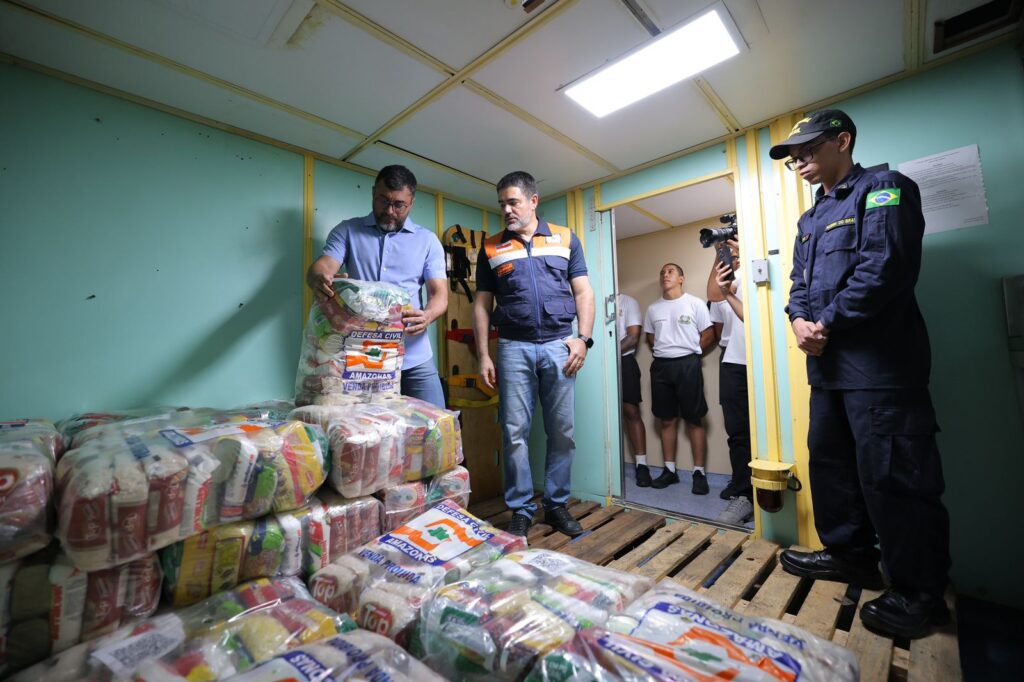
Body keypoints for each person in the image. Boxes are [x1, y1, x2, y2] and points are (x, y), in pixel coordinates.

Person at [772, 109, 951, 639]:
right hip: (827, 368)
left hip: (880, 368)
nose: (799, 160)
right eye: (793, 155)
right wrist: (800, 319)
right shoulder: (811, 217)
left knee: (894, 475)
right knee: (831, 464)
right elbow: (797, 286)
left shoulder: (884, 188)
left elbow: (885, 266)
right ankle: (851, 555)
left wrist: (826, 321)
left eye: (807, 149)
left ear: (842, 141)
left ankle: (921, 594)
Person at [473, 171, 596, 538]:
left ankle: (556, 507)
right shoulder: (491, 247)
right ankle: (522, 510)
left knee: (562, 432)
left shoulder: (565, 238)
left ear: (533, 201)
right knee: (514, 432)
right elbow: (481, 305)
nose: (506, 210)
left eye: (513, 202)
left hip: (560, 344)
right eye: (502, 204)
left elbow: (584, 293)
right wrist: (483, 355)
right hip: (513, 347)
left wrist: (583, 339)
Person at [306, 165, 448, 408]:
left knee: (436, 430)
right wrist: (319, 277)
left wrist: (428, 315)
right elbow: (323, 266)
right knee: (364, 436)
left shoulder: (428, 241)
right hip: (360, 361)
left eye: (399, 205)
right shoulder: (347, 230)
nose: (390, 211)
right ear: (373, 193)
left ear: (411, 202)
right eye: (383, 201)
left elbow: (440, 295)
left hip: (414, 360)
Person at [643, 264, 715, 494]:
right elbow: (650, 338)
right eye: (662, 272)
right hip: (661, 367)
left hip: (688, 365)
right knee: (666, 419)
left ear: (681, 278)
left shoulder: (695, 303)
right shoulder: (653, 309)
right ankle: (670, 470)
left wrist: (691, 353)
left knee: (694, 419)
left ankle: (699, 472)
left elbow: (709, 334)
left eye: (670, 271)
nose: (665, 274)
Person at [706, 241, 753, 524]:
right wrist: (720, 255)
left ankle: (766, 494)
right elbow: (715, 294)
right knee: (737, 431)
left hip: (768, 361)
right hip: (734, 359)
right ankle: (743, 494)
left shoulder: (777, 261)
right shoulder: (740, 272)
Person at [617, 293, 650, 486]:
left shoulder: (628, 302)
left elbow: (633, 337)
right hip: (595, 364)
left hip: (624, 362)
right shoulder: (590, 300)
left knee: (631, 411)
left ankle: (642, 465)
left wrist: (608, 353)